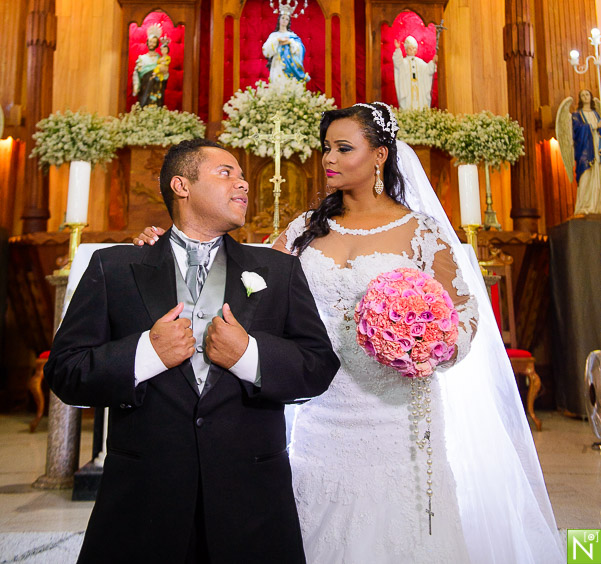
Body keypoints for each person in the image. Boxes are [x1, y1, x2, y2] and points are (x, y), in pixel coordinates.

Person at [136, 107, 563, 563]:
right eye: (326, 149)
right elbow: (246, 282)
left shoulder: (422, 232)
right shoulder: (304, 229)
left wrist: (430, 348)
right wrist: (176, 246)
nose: (327, 159)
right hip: (325, 408)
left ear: (379, 155)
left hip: (399, 408)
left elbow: (464, 315)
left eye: (343, 148)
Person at [45, 138, 339, 564]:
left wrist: (248, 356)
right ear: (182, 185)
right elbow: (65, 373)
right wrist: (145, 352)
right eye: (227, 173)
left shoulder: (279, 270)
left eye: (243, 176)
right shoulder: (115, 268)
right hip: (143, 506)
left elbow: (318, 368)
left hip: (252, 507)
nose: (243, 184)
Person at [572, 88, 601, 214]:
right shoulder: (577, 115)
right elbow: (577, 132)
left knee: (597, 178)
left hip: (597, 149)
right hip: (585, 151)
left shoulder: (596, 114)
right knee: (585, 178)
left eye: (587, 94)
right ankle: (584, 205)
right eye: (582, 95)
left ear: (591, 97)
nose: (585, 97)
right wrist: (594, 127)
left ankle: (596, 205)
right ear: (580, 99)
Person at [262, 9, 309, 85]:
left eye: (287, 19)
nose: (284, 20)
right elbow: (266, 51)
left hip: (290, 65)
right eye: (283, 18)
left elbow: (300, 49)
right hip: (277, 64)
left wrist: (291, 42)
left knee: (289, 86)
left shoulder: (293, 36)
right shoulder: (274, 35)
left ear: (288, 22)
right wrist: (277, 41)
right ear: (279, 19)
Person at [393, 35, 437, 110]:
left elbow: (428, 70)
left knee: (420, 104)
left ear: (416, 50)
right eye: (410, 49)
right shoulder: (403, 62)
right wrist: (397, 49)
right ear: (406, 50)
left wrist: (433, 61)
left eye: (414, 48)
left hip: (419, 90)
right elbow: (397, 62)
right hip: (408, 90)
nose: (412, 50)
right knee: (408, 105)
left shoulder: (420, 62)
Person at [132, 23, 162, 107]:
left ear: (156, 44)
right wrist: (136, 86)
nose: (152, 44)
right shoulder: (142, 58)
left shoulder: (160, 59)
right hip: (144, 87)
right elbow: (136, 74)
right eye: (150, 42)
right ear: (147, 43)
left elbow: (163, 74)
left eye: (154, 42)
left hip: (156, 87)